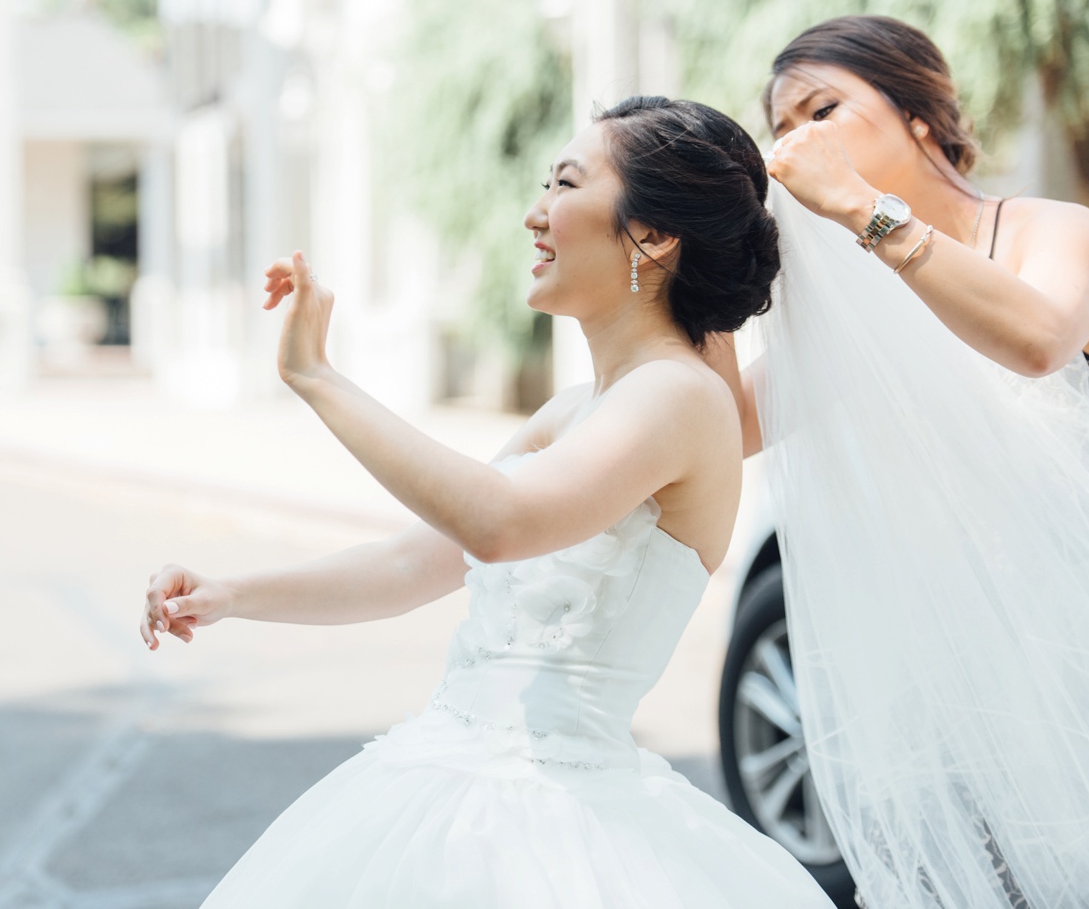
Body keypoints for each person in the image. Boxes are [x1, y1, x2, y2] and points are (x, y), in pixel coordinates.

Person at [138, 96, 835, 907]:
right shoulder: (575, 410)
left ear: (652, 233)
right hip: (441, 782)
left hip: (551, 825)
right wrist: (230, 595)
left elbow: (498, 523)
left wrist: (319, 379)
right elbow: (412, 561)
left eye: (566, 184)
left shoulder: (678, 398)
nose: (535, 214)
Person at [726, 15, 1089, 908]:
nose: (799, 141)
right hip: (959, 693)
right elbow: (728, 421)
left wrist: (864, 210)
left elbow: (1038, 340)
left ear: (919, 116)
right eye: (783, 127)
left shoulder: (1054, 231)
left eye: (823, 109)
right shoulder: (860, 310)